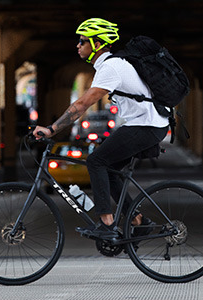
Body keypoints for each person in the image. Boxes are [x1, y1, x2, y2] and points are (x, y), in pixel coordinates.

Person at [33, 18, 169, 239]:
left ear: (97, 44)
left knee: (96, 160)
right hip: (147, 125)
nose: (78, 45)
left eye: (82, 41)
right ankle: (138, 221)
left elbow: (82, 105)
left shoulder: (110, 67)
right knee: (111, 170)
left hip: (146, 125)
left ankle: (107, 223)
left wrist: (52, 129)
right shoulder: (110, 66)